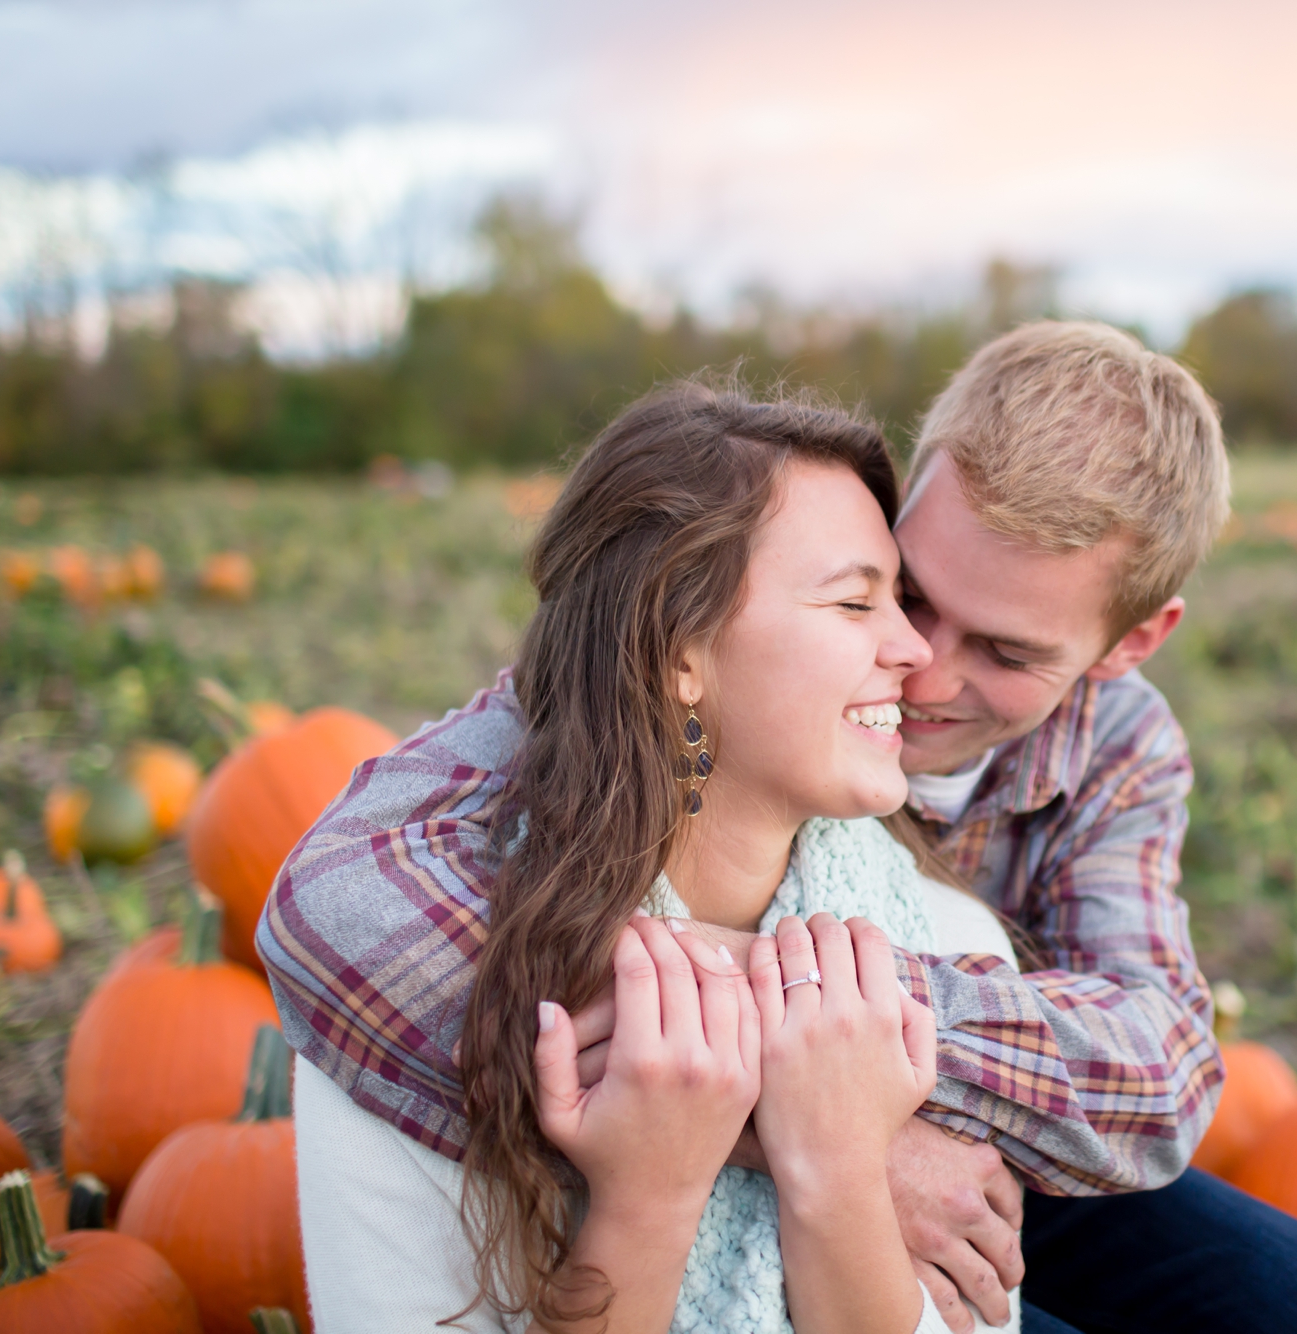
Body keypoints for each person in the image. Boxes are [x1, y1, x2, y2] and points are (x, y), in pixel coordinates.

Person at [263, 323, 1297, 1333]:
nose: (924, 669)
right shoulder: (676, 656)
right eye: (906, 593)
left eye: (1005, 652)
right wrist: (819, 1120)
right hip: (764, 1149)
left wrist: (833, 1035)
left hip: (1000, 1153)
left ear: (1126, 645)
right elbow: (330, 903)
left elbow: (1154, 1073)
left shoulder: (1114, 750)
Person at [281, 384, 1068, 1331]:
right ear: (677, 653)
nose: (916, 651)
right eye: (857, 601)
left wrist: (836, 1172)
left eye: (897, 599)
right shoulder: (417, 998)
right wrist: (647, 1198)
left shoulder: (939, 954)